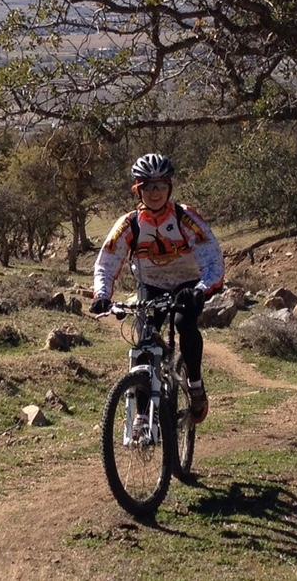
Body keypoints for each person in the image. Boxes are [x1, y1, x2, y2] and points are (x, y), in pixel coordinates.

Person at [90, 152, 224, 424]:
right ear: (137, 190)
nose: (155, 192)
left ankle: (195, 384)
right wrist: (102, 296)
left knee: (184, 323)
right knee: (144, 342)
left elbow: (211, 256)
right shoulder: (129, 223)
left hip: (187, 284)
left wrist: (202, 288)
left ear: (169, 188)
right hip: (150, 286)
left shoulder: (184, 217)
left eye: (161, 185)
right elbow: (107, 261)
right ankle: (142, 418)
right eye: (148, 186)